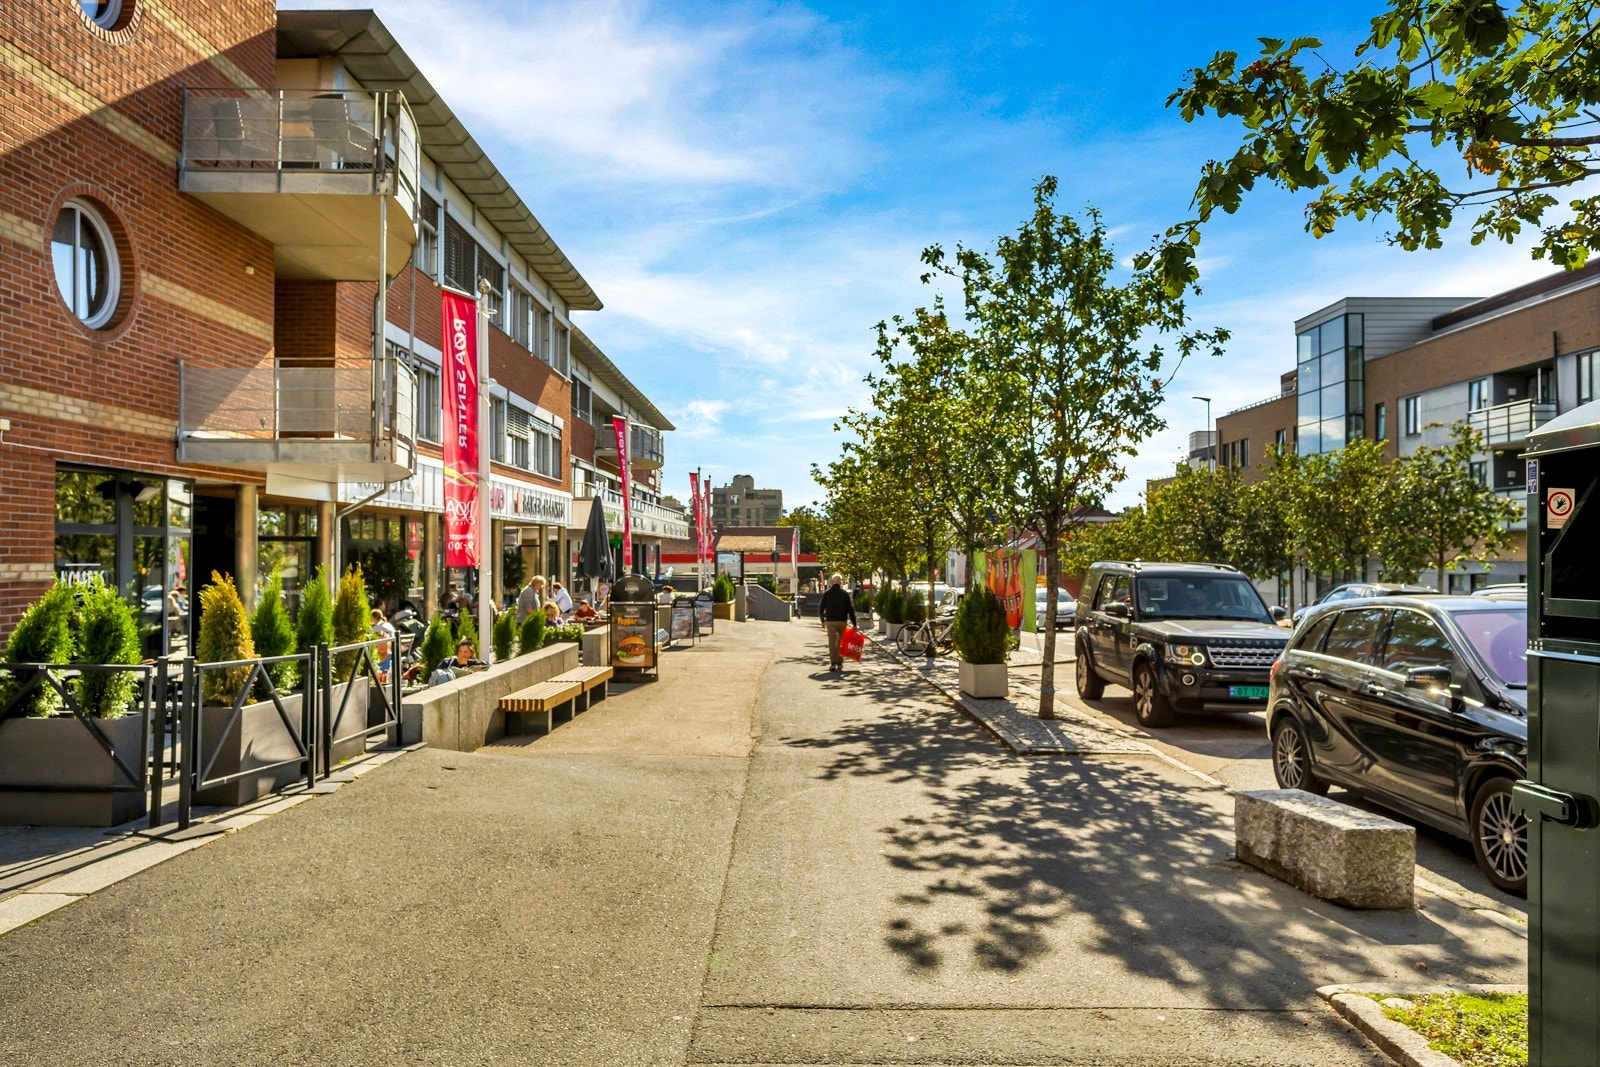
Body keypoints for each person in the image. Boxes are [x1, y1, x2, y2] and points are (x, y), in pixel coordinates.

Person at [818, 572, 857, 672]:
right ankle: (840, 662)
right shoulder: (844, 594)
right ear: (841, 582)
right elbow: (850, 610)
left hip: (830, 622)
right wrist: (854, 624)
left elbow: (821, 608)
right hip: (842, 621)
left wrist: (823, 621)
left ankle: (833, 663)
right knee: (841, 642)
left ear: (831, 582)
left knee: (832, 642)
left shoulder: (827, 593)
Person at [370, 607, 396, 679]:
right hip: (393, 647)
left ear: (373, 618)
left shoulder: (376, 628)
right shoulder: (387, 624)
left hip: (388, 649)